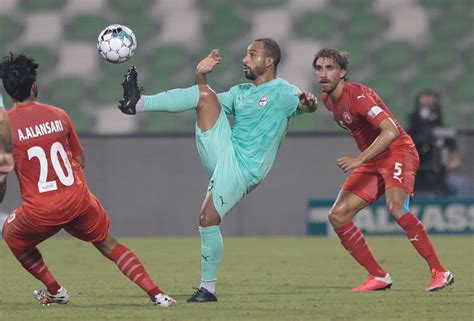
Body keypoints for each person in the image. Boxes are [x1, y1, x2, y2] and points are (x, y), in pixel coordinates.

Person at [118, 38, 317, 302]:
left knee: (207, 219)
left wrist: (309, 103)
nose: (245, 60)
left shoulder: (283, 92)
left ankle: (208, 290)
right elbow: (204, 102)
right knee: (204, 94)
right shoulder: (240, 92)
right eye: (246, 54)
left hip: (244, 169)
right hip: (225, 150)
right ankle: (138, 103)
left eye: (252, 55)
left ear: (269, 61)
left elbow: (305, 105)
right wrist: (200, 75)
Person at [0, 53, 176, 307]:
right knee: (109, 245)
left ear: (8, 90)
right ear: (34, 86)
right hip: (78, 200)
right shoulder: (59, 115)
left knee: (12, 236)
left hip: (41, 211)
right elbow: (80, 161)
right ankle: (158, 295)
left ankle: (55, 289)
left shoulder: (7, 128)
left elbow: (3, 178)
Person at [312, 48, 453, 292]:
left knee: (396, 207)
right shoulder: (327, 100)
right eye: (319, 68)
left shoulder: (357, 96)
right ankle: (378, 276)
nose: (323, 74)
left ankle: (440, 272)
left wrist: (360, 159)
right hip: (373, 159)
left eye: (330, 68)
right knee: (338, 215)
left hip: (398, 150)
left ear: (343, 72)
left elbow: (391, 130)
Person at [408, 90, 471, 198]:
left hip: (438, 174)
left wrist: (450, 160)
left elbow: (455, 158)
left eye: (431, 99)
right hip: (414, 174)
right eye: (425, 98)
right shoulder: (410, 132)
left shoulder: (443, 131)